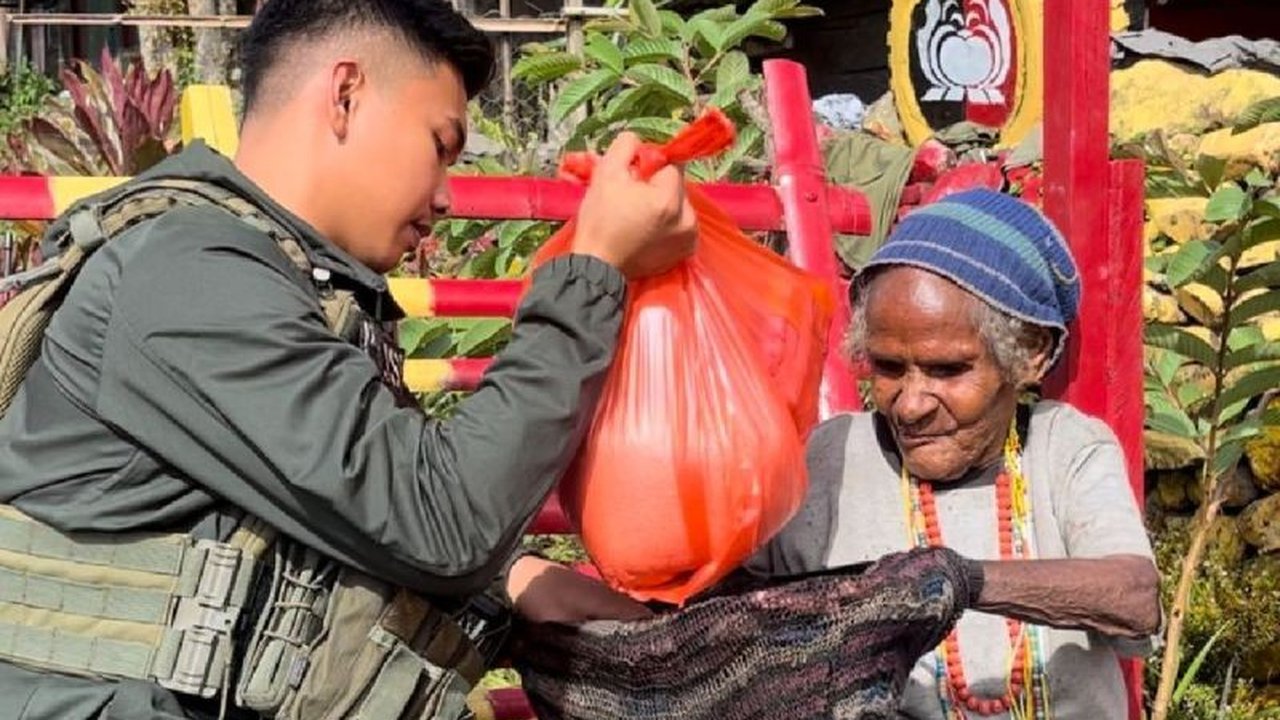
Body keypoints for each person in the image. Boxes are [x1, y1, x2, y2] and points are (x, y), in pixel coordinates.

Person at [0, 1, 681, 717]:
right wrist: (596, 267)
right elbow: (444, 519)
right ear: (346, 94)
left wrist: (515, 580)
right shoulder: (183, 273)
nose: (446, 198)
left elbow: (353, 501)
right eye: (440, 145)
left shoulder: (282, 281)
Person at [749, 189, 1162, 719]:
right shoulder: (830, 457)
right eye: (887, 368)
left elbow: (1134, 598)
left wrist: (957, 580)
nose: (910, 404)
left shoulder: (1063, 447)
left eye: (947, 370)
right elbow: (722, 608)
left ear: (1030, 353)